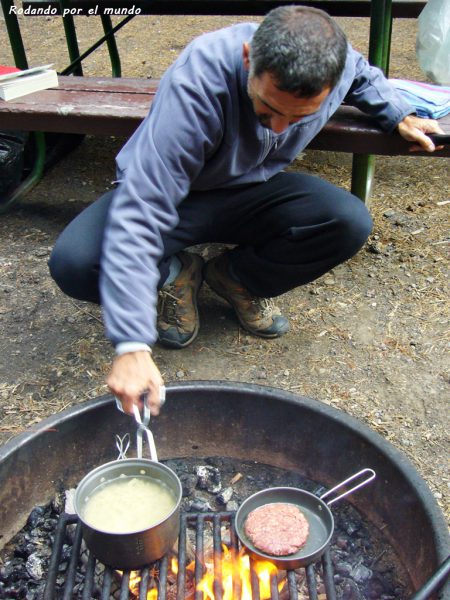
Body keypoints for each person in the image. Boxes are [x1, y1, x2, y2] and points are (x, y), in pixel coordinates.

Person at [49, 6, 444, 417]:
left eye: (298, 118)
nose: (277, 129)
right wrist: (131, 343)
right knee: (77, 263)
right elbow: (143, 208)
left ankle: (235, 276)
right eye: (267, 109)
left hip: (254, 189)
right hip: (177, 194)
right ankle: (174, 274)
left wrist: (395, 113)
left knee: (346, 221)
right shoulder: (199, 79)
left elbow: (361, 72)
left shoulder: (337, 64)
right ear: (247, 60)